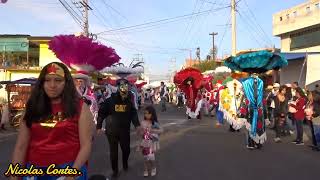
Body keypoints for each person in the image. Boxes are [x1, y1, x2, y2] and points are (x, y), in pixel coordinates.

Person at [11, 62, 94, 180]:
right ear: (42, 83)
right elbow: (21, 146)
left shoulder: (80, 107)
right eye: (47, 80)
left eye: (58, 80)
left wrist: (71, 175)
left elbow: (86, 145)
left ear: (66, 83)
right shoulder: (31, 107)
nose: (52, 85)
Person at [96, 78, 141, 178]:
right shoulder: (110, 100)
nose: (123, 87)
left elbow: (133, 113)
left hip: (124, 131)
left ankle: (125, 163)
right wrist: (99, 126)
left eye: (125, 85)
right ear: (117, 87)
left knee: (126, 149)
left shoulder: (129, 100)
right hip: (111, 131)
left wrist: (137, 125)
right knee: (114, 152)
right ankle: (115, 170)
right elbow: (102, 113)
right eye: (121, 85)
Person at [139, 106, 163, 177]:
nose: (146, 115)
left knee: (151, 157)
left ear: (152, 114)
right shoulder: (143, 122)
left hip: (152, 143)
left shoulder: (154, 123)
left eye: (148, 114)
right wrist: (142, 132)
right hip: (144, 143)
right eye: (145, 113)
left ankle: (153, 168)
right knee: (145, 158)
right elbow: (141, 133)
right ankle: (146, 170)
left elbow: (161, 130)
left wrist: (153, 130)